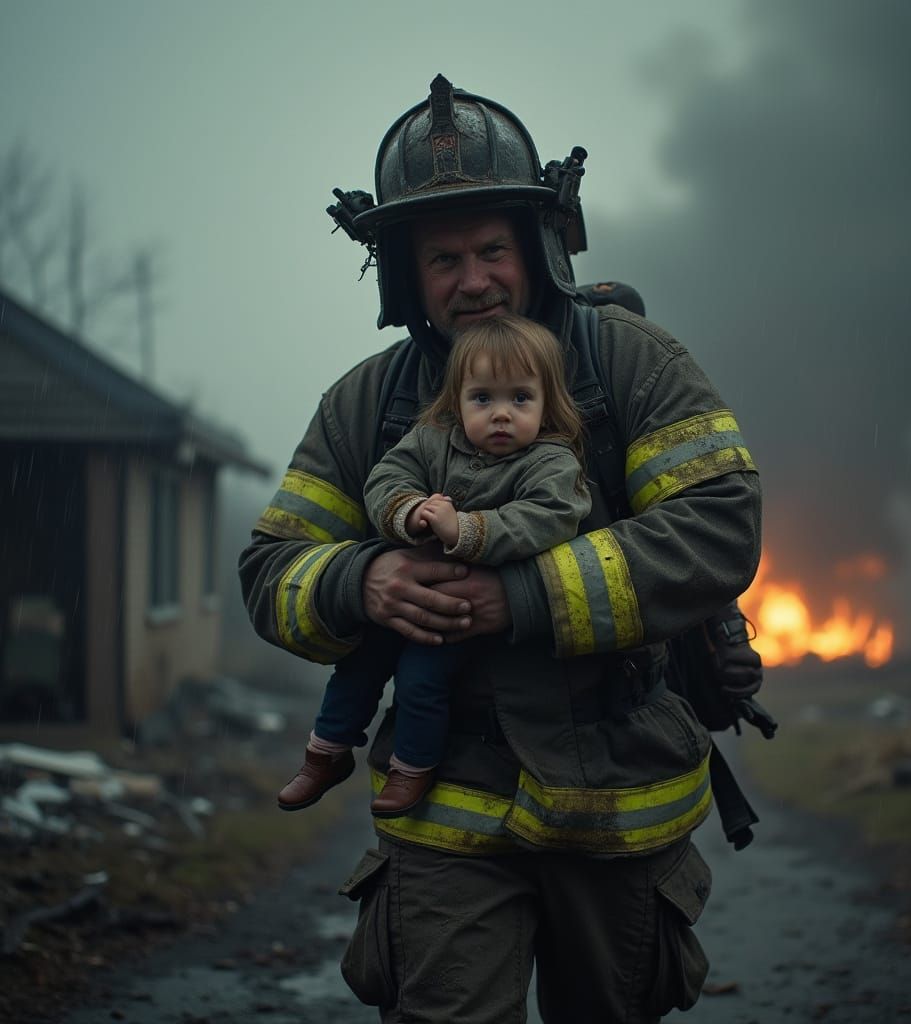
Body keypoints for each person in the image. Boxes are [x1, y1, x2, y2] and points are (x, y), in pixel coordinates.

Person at [240, 74, 761, 1023]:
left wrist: (520, 597)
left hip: (619, 800)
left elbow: (720, 524)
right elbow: (269, 571)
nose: (472, 279)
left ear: (537, 247)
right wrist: (364, 580)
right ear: (407, 274)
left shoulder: (631, 363)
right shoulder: (366, 405)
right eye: (443, 258)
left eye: (490, 249)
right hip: (445, 806)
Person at [276, 314, 591, 818]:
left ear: (547, 402)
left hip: (463, 613)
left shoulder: (551, 464)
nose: (502, 414)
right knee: (358, 664)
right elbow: (385, 477)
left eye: (521, 398)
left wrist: (466, 531)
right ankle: (326, 753)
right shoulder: (431, 439)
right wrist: (406, 510)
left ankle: (411, 768)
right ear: (458, 400)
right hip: (401, 598)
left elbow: (549, 519)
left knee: (421, 678)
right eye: (483, 399)